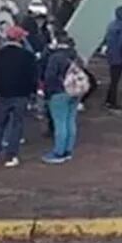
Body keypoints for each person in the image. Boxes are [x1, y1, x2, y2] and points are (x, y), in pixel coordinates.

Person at [0, 25, 37, 168]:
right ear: (20, 38)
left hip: (3, 94)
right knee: (17, 125)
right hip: (21, 95)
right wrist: (30, 92)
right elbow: (33, 76)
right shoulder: (27, 56)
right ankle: (11, 155)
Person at [42, 31, 82, 163]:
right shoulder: (76, 56)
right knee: (70, 121)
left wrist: (46, 92)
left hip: (58, 92)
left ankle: (59, 152)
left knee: (60, 123)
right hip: (75, 91)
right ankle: (68, 150)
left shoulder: (55, 57)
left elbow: (49, 77)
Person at [101, 6, 122, 110]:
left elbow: (105, 41)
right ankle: (111, 102)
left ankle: (109, 100)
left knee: (113, 79)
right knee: (115, 80)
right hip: (119, 56)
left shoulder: (111, 25)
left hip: (111, 55)